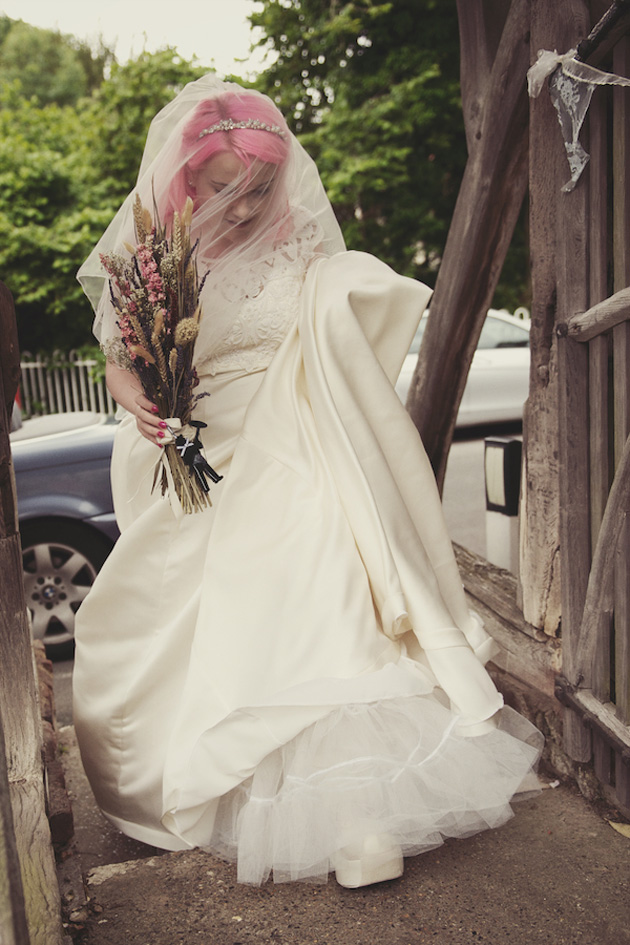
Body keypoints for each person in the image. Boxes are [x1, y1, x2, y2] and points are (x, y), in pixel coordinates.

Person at [74, 75, 541, 888]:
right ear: (190, 174)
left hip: (300, 438)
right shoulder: (154, 258)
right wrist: (148, 407)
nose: (249, 206)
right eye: (229, 189)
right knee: (200, 620)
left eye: (262, 187)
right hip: (203, 451)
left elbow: (338, 326)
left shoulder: (300, 245)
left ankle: (356, 814)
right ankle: (228, 783)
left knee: (325, 597)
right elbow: (121, 361)